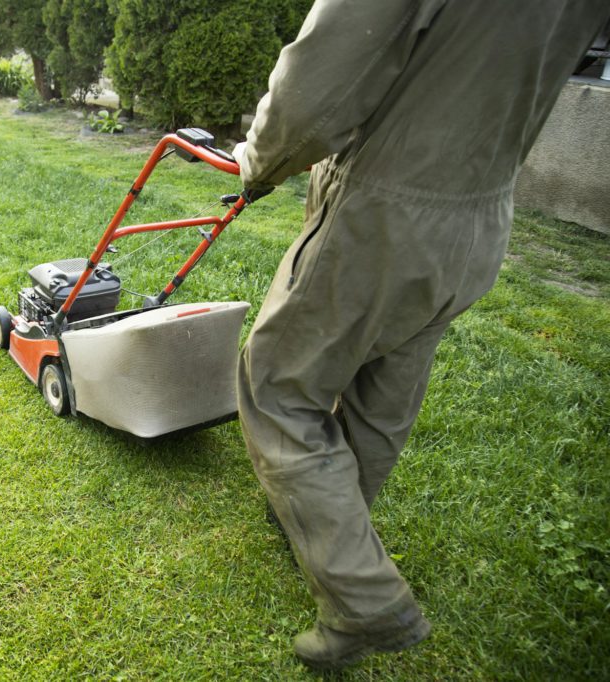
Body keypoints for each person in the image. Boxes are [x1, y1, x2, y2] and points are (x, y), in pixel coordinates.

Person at [232, 0, 610, 670]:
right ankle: (328, 528)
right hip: (481, 217)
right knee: (386, 391)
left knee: (278, 389)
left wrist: (261, 162)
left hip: (387, 210)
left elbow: (316, 87)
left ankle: (363, 600)